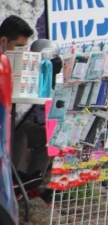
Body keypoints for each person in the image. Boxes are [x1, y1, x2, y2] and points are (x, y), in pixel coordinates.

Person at [0, 16, 49, 186]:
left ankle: (32, 184)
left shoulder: (13, 62)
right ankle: (13, 182)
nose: (21, 52)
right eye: (18, 47)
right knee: (18, 134)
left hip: (8, 118)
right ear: (4, 41)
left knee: (45, 136)